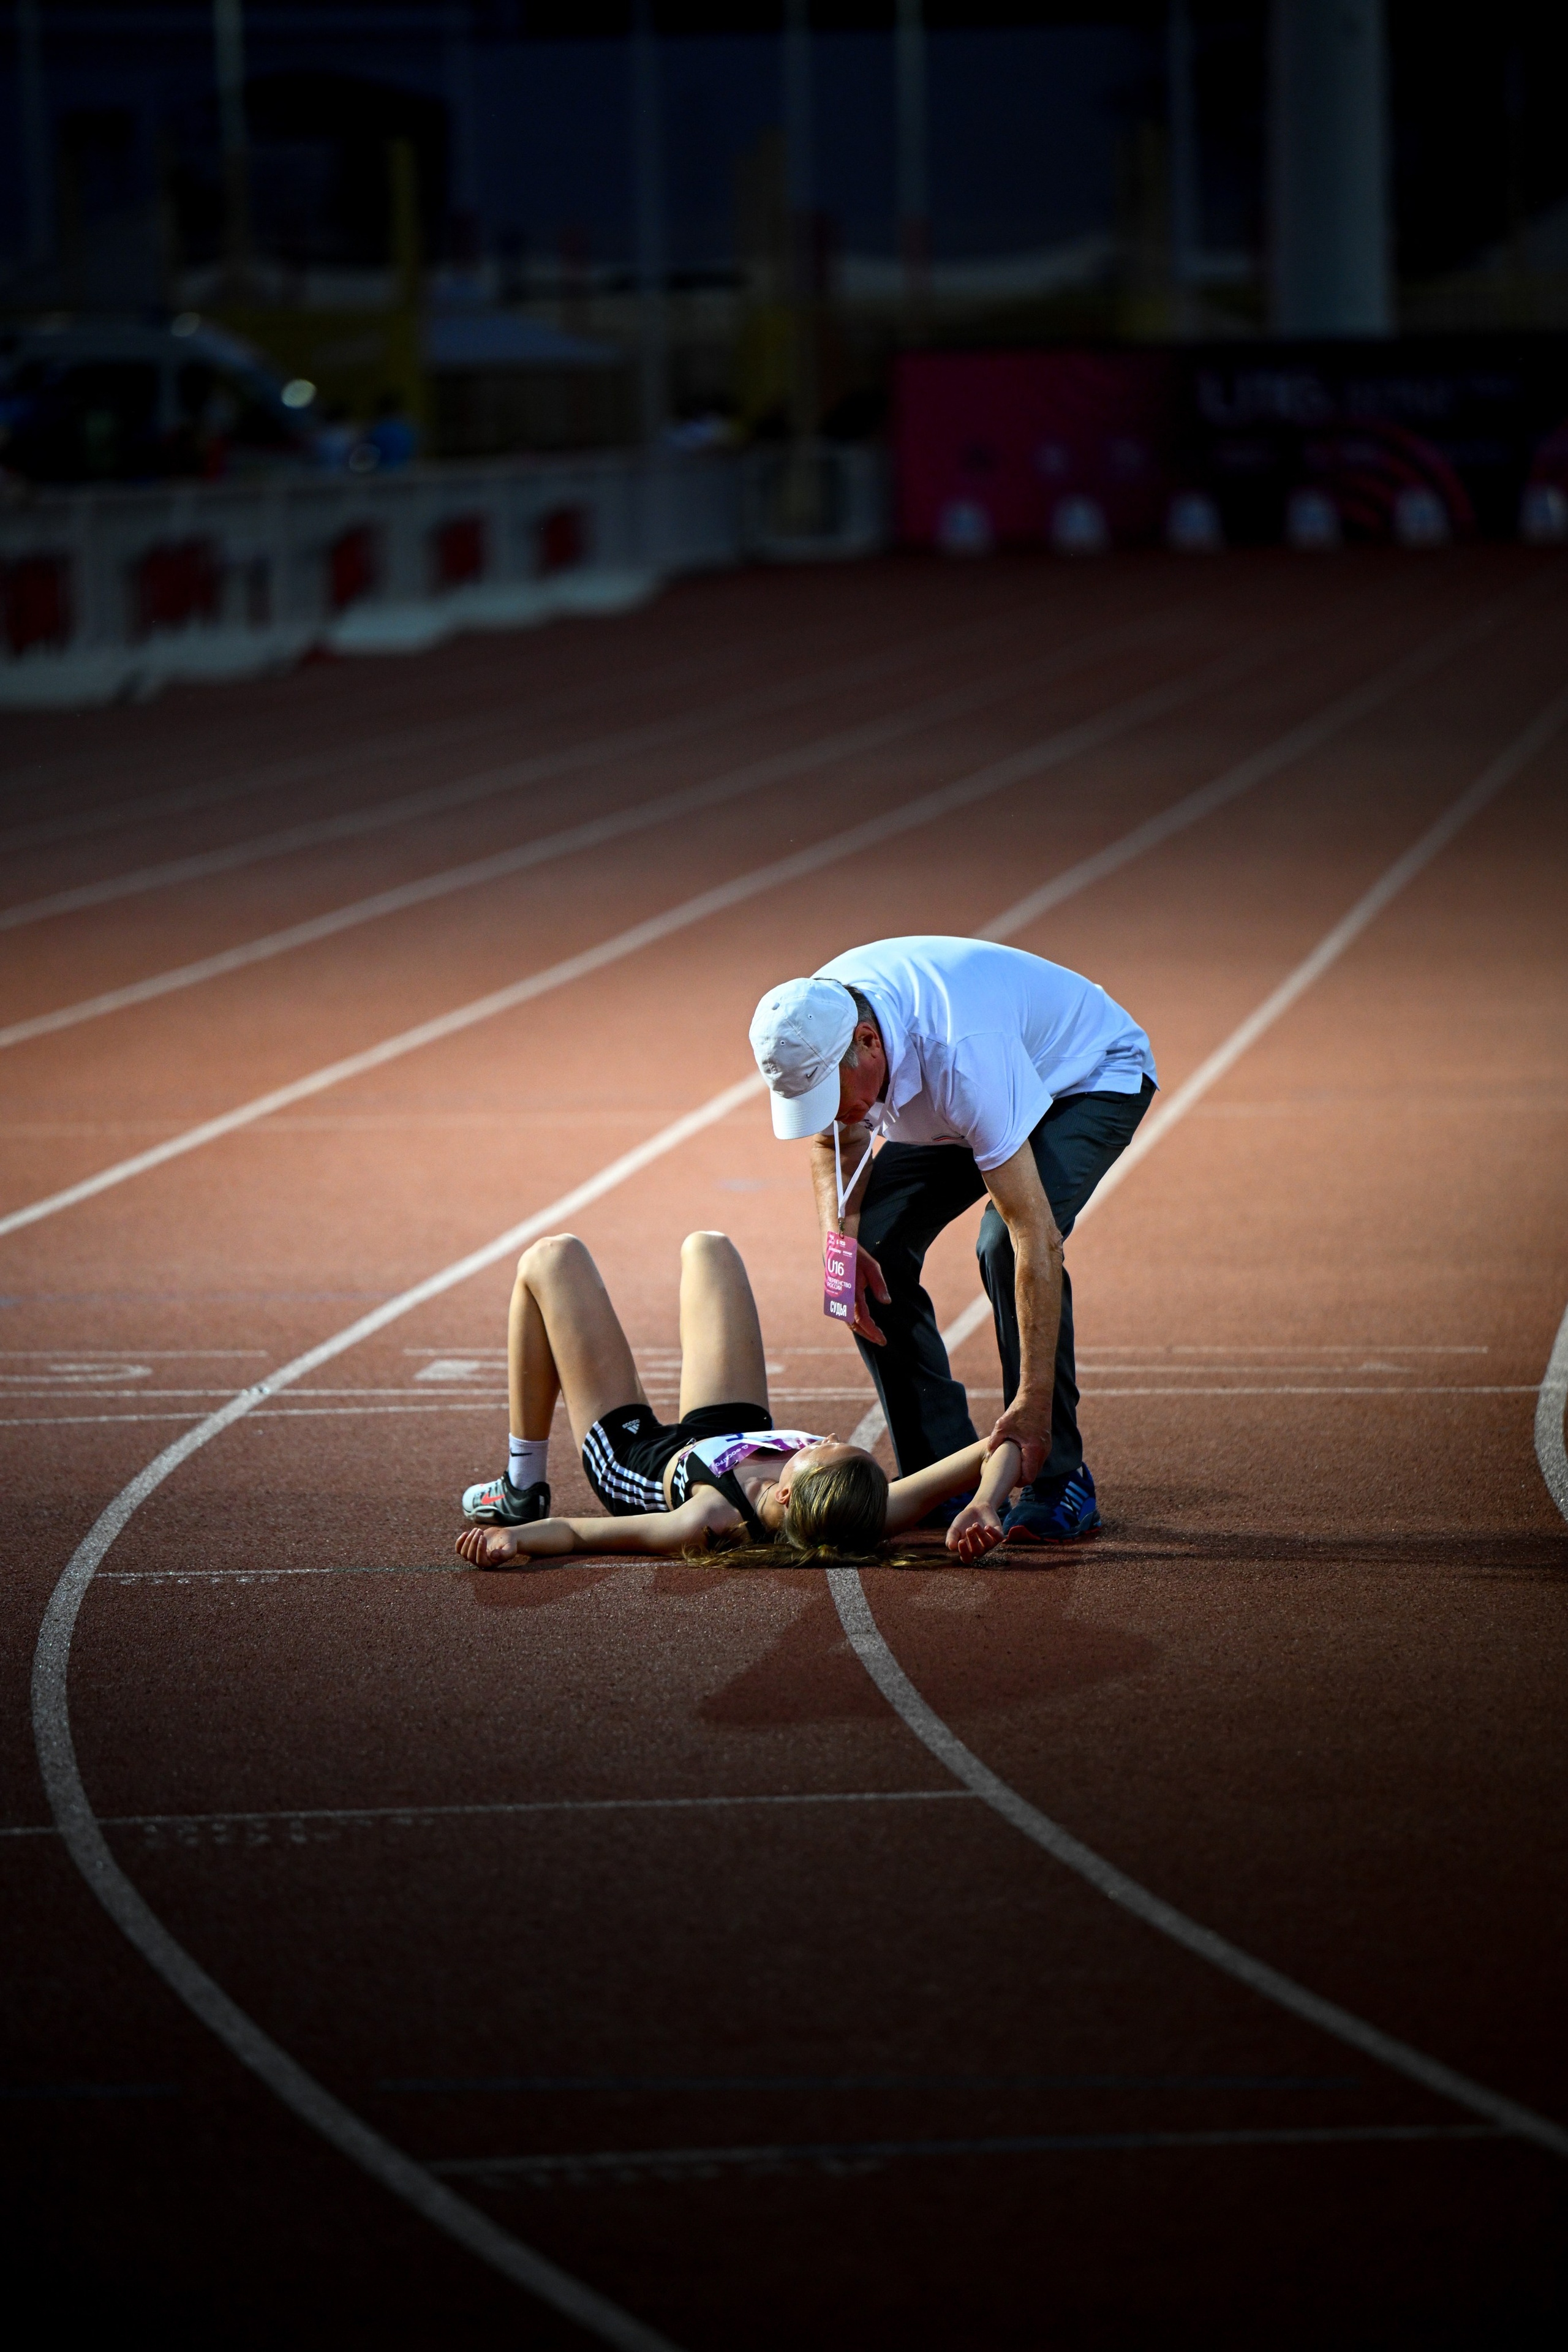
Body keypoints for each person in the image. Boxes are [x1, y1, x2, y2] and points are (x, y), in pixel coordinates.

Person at [748, 937, 1156, 1542]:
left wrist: (1032, 1403)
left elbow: (1032, 1237)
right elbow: (833, 1142)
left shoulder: (963, 1055)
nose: (830, 1111)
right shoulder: (812, 1022)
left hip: (1083, 1079)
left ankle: (1058, 1475)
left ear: (868, 1042)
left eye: (830, 1094)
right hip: (963, 1102)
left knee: (999, 1242)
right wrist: (840, 1252)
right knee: (872, 1254)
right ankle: (942, 1475)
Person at [454, 1228, 1020, 1570]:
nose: (827, 1438)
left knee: (551, 1258)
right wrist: (986, 1501)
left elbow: (578, 1533)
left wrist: (513, 1538)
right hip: (732, 1427)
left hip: (640, 1456)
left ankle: (520, 1486)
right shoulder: (868, 1508)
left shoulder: (709, 1517)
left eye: (823, 1448)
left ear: (784, 1490)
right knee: (710, 1248)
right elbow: (1002, 1443)